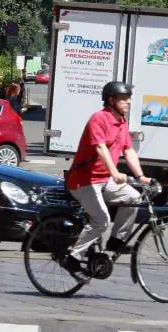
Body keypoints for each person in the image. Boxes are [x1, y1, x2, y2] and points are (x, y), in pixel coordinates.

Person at [63, 81, 151, 283]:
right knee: (101, 220)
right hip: (84, 180)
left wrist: (141, 177)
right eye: (124, 98)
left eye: (129, 98)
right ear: (112, 100)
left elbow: (128, 150)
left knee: (134, 197)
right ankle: (73, 259)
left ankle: (115, 242)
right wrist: (114, 171)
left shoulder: (121, 123)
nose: (128, 102)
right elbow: (100, 148)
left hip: (104, 180)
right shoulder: (98, 119)